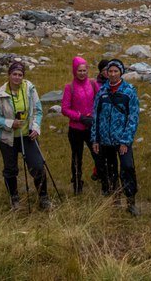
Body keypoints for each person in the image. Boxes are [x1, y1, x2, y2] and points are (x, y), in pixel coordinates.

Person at [0, 60, 50, 210]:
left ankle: (44, 198)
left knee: (37, 166)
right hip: (7, 138)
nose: (17, 77)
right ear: (9, 75)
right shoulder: (1, 92)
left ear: (23, 76)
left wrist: (35, 127)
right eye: (14, 74)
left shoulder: (29, 89)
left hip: (28, 135)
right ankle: (14, 199)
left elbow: (38, 110)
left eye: (20, 74)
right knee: (10, 169)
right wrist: (10, 123)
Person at [91, 59, 141, 216]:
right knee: (110, 170)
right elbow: (95, 117)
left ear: (121, 73)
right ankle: (115, 199)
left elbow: (133, 118)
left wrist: (126, 140)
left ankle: (131, 201)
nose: (112, 74)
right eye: (110, 71)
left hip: (122, 141)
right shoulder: (102, 92)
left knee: (127, 168)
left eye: (115, 71)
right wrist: (95, 139)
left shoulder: (129, 91)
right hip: (105, 140)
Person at [60, 56, 99, 195]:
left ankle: (104, 181)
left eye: (84, 70)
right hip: (76, 129)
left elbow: (99, 102)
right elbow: (64, 109)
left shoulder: (93, 84)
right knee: (77, 158)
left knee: (98, 155)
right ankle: (77, 184)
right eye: (79, 70)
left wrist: (93, 117)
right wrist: (80, 117)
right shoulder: (69, 88)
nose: (82, 73)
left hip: (91, 128)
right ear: (74, 71)